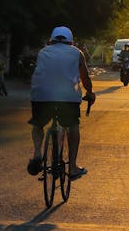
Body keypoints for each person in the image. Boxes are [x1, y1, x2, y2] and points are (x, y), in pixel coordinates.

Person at [27, 25, 96, 180]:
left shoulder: (43, 52)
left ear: (51, 41)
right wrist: (90, 93)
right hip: (68, 98)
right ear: (71, 42)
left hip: (41, 96)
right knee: (72, 127)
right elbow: (84, 77)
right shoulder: (77, 53)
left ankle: (38, 153)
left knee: (38, 125)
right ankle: (72, 168)